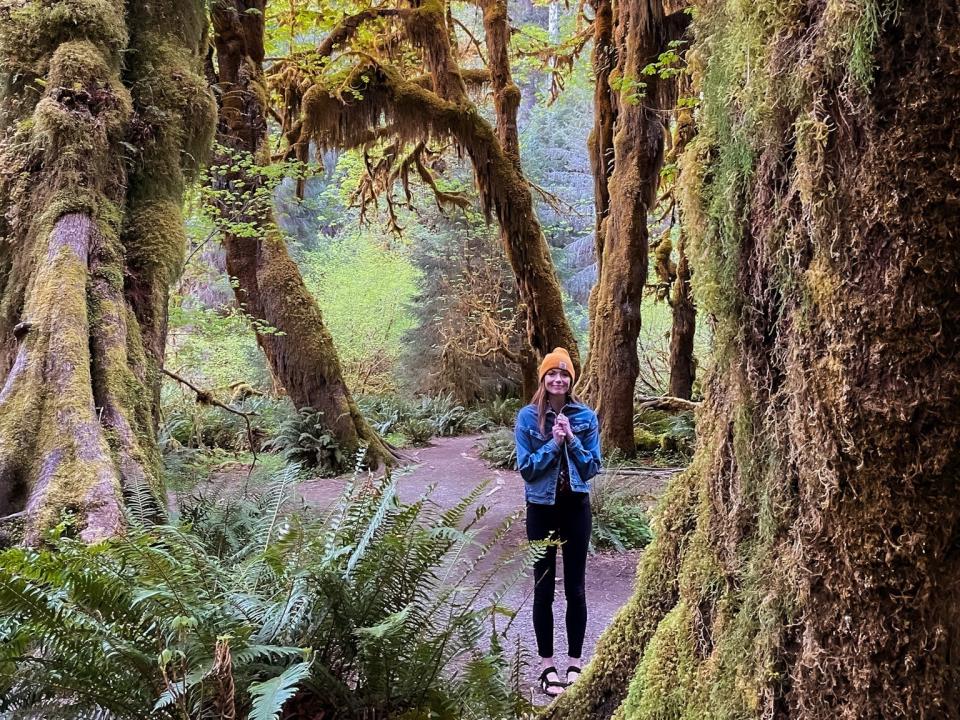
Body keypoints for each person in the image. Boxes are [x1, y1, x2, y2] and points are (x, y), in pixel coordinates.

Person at [514, 347, 601, 697]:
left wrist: (573, 440)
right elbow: (527, 468)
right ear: (543, 379)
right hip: (541, 509)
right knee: (544, 588)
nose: (558, 379)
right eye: (552, 374)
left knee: (576, 589)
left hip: (576, 508)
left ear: (571, 380)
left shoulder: (586, 416)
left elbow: (593, 466)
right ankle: (547, 667)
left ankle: (576, 663)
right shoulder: (526, 418)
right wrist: (553, 443)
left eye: (564, 375)